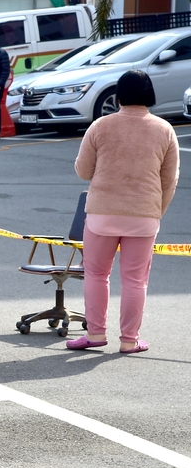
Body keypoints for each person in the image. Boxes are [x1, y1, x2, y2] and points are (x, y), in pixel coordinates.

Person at [67, 70, 180, 354]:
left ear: (119, 94)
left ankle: (94, 334)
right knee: (135, 280)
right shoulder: (164, 129)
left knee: (95, 274)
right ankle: (130, 340)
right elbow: (170, 180)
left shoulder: (101, 126)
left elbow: (83, 171)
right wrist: (156, 211)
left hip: (102, 213)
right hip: (144, 214)